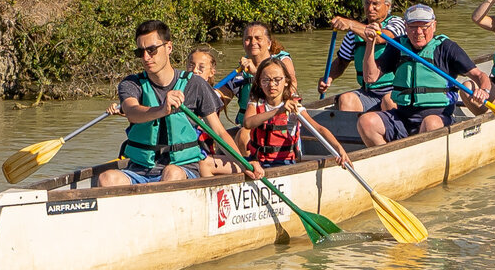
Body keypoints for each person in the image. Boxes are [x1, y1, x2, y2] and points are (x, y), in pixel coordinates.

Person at [96, 22, 255, 188]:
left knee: (172, 172)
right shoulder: (131, 84)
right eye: (140, 52)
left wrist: (244, 164)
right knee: (107, 178)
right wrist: (162, 109)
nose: (146, 57)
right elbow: (132, 112)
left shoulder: (195, 84)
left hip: (183, 168)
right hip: (139, 170)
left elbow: (219, 131)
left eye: (151, 50)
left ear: (169, 47)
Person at [358, 3, 491, 145]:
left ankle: (418, 152)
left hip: (438, 118)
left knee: (430, 123)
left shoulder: (447, 47)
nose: (418, 32)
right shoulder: (397, 46)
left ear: (434, 26)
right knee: (366, 122)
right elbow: (370, 77)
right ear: (406, 27)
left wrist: (484, 90)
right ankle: (389, 155)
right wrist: (370, 43)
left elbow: (479, 75)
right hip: (402, 117)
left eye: (424, 27)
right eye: (413, 27)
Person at [240, 57, 349, 169]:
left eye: (277, 80)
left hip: (282, 162)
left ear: (286, 82)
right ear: (259, 83)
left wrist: (339, 149)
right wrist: (278, 111)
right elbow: (247, 123)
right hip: (256, 160)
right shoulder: (256, 101)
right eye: (266, 80)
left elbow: (319, 129)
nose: (271, 84)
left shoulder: (293, 106)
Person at [322, 0, 405, 114]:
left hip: (394, 91)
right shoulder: (353, 33)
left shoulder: (398, 23)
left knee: (388, 101)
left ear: (387, 6)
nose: (370, 8)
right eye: (367, 3)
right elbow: (342, 61)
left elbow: (380, 38)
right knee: (346, 99)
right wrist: (329, 78)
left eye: (375, 4)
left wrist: (350, 24)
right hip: (368, 92)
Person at [219, 22, 299, 129]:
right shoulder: (240, 72)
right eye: (248, 39)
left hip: (278, 125)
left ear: (269, 43)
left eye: (258, 38)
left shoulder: (282, 61)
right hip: (248, 126)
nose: (253, 42)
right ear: (243, 44)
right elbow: (220, 99)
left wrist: (255, 72)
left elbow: (292, 87)